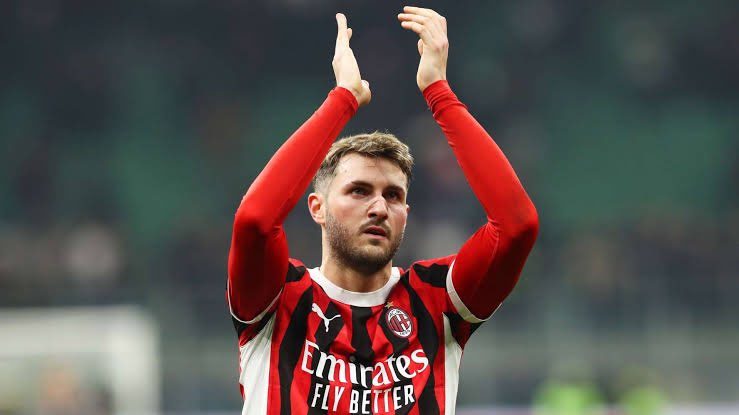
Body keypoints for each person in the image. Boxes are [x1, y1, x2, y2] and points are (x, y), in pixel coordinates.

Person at [227, 6, 539, 414]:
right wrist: (343, 99)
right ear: (317, 208)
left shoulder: (436, 301)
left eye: (392, 196)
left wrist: (439, 92)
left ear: (406, 211)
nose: (378, 207)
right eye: (358, 191)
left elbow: (516, 227)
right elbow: (255, 221)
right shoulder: (277, 298)